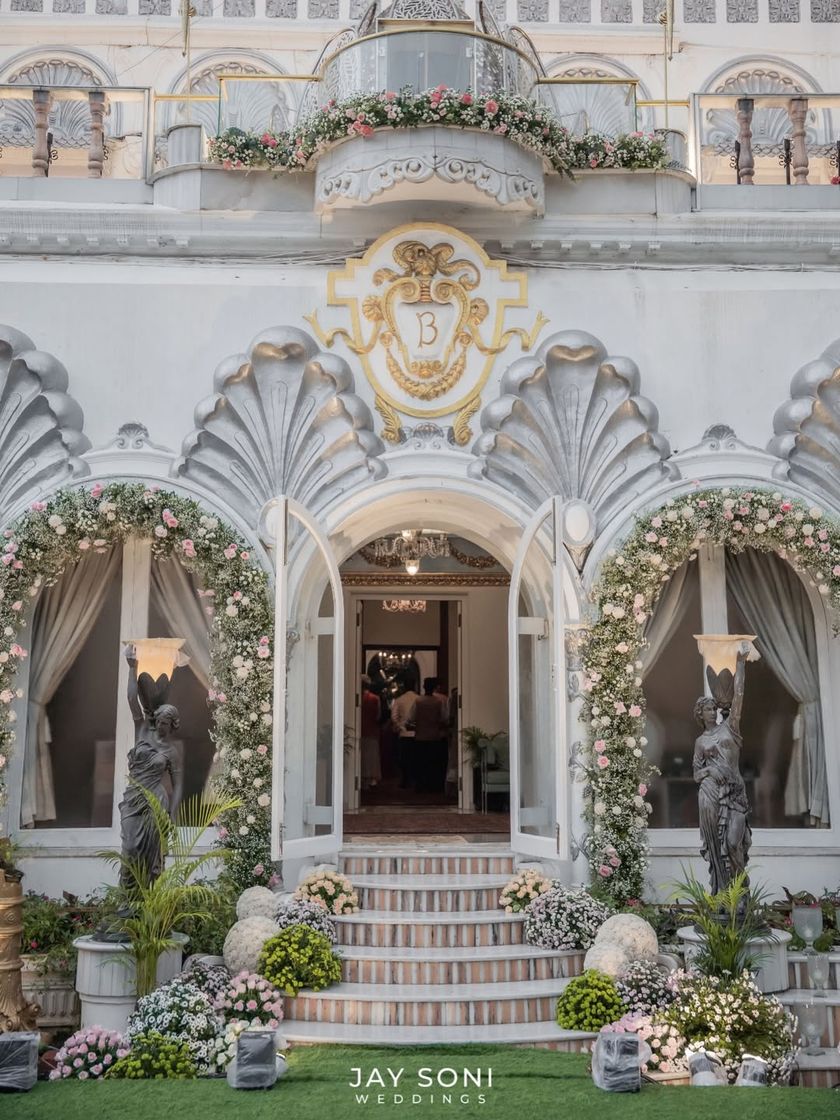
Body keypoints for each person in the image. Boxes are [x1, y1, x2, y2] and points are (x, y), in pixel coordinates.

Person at [118, 644, 184, 889]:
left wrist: (173, 815)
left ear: (173, 725)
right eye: (159, 720)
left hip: (156, 802)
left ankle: (149, 900)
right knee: (130, 848)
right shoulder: (142, 732)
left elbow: (177, 786)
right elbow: (131, 699)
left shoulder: (172, 752)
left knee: (153, 854)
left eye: (166, 723)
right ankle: (128, 898)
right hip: (134, 799)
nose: (161, 726)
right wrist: (132, 666)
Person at [692, 642, 752, 895]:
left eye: (714, 708)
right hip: (710, 796)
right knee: (718, 847)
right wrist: (709, 771)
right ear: (700, 713)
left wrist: (740, 663)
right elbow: (696, 774)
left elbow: (738, 697)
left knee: (733, 843)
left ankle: (741, 892)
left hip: (735, 795)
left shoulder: (730, 728)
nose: (712, 712)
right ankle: (723, 894)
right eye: (708, 709)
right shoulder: (700, 742)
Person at [409, 678, 449, 793]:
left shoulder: (418, 701)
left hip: (420, 736)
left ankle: (420, 785)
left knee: (420, 763)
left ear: (424, 687)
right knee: (433, 763)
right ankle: (432, 785)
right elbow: (444, 718)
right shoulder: (438, 702)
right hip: (434, 736)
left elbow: (411, 717)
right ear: (434, 688)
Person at [390, 674, 419, 789]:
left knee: (404, 758)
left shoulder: (399, 700)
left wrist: (400, 726)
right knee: (415, 758)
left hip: (404, 733)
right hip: (417, 733)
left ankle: (405, 779)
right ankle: (414, 779)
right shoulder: (418, 699)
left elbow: (394, 717)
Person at [360, 675, 381, 791]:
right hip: (372, 731)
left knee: (362, 756)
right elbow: (378, 716)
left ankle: (362, 778)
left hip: (360, 730)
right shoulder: (375, 698)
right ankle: (372, 779)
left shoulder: (356, 697)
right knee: (372, 756)